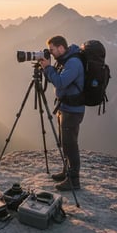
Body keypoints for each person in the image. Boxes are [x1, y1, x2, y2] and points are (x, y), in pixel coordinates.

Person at [39, 35, 85, 191]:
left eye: (52, 50)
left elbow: (60, 82)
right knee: (65, 142)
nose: (50, 53)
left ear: (60, 48)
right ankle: (67, 172)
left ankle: (74, 180)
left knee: (70, 144)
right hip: (65, 108)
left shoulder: (73, 62)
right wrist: (49, 69)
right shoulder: (65, 60)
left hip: (72, 110)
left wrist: (48, 68)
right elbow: (58, 81)